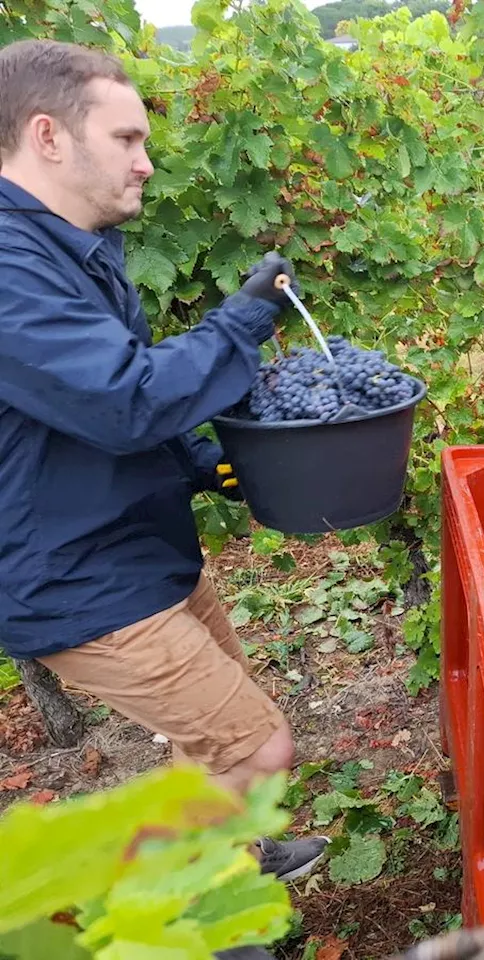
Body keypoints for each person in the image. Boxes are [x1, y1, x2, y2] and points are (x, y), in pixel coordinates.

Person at [0, 38, 330, 883]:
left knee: (214, 732)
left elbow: (107, 403)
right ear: (47, 136)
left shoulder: (74, 248)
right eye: (127, 140)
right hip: (76, 577)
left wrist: (206, 462)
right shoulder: (9, 270)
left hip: (138, 546)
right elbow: (122, 399)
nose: (147, 164)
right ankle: (177, 911)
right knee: (259, 749)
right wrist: (242, 322)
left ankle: (233, 864)